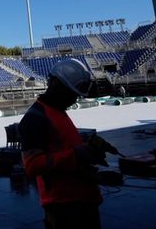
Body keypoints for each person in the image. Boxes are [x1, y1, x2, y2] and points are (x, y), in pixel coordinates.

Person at [17, 59, 105, 229]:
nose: (74, 100)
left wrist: (87, 158)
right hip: (64, 208)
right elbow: (33, 165)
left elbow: (63, 148)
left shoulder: (57, 112)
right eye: (71, 94)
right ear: (55, 84)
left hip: (81, 201)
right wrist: (77, 154)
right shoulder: (35, 118)